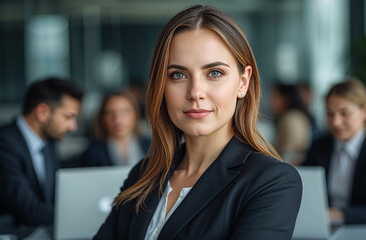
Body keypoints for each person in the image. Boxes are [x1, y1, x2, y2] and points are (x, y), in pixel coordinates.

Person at [94, 5, 302, 240]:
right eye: (178, 75)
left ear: (243, 83)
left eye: (214, 73)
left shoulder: (270, 181)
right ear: (161, 86)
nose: (195, 92)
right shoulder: (143, 175)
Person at [0, 77, 83, 237]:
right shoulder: (3, 145)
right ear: (42, 112)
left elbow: (52, 198)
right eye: (68, 117)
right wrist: (79, 215)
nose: (73, 127)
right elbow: (29, 211)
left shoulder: (48, 142)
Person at [303, 78, 366, 227]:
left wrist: (330, 215)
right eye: (330, 114)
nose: (336, 122)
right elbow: (305, 191)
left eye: (345, 113)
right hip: (324, 228)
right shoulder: (319, 146)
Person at [80, 91, 150, 167]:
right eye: (110, 113)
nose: (117, 120)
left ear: (135, 114)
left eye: (124, 112)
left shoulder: (151, 146)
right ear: (102, 118)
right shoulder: (92, 153)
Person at [270, 83, 313, 165]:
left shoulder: (289, 117)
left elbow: (288, 153)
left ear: (286, 98)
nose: (272, 102)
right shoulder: (298, 115)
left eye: (275, 97)